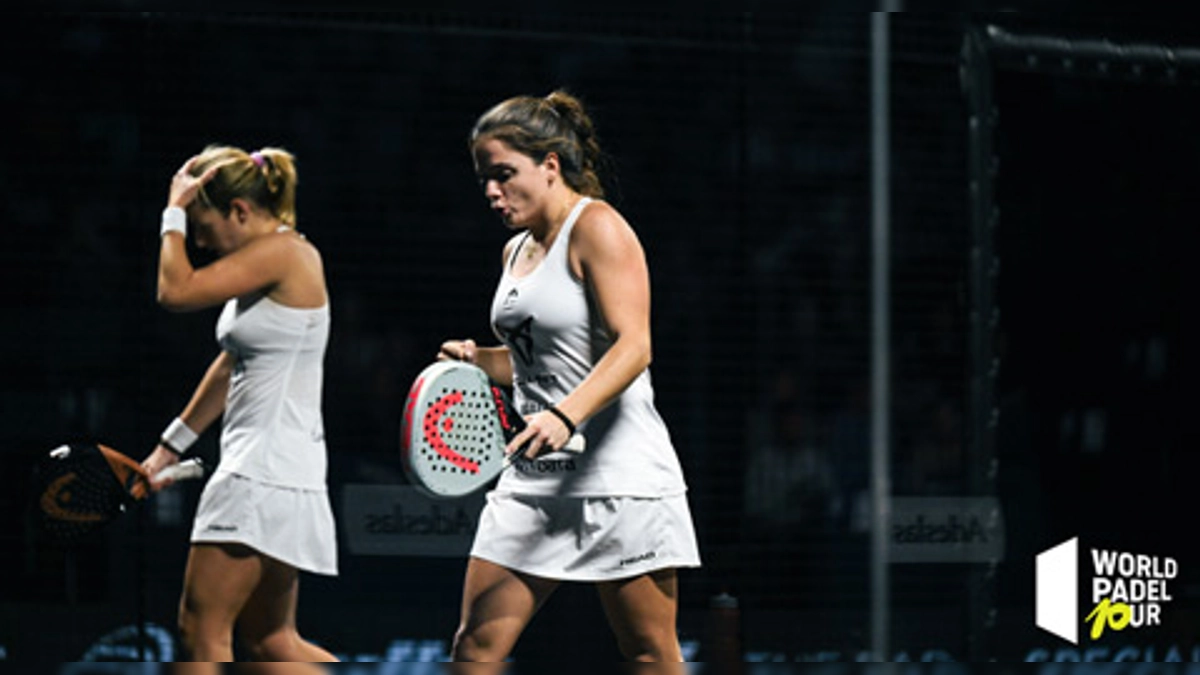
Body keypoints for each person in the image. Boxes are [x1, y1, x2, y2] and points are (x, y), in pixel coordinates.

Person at [438, 90, 701, 662]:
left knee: (650, 651)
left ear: (550, 165)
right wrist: (479, 361)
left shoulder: (599, 227)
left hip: (619, 478)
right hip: (534, 479)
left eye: (504, 174)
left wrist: (564, 414)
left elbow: (635, 346)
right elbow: (539, 361)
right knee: (475, 646)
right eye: (485, 178)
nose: (491, 191)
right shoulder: (515, 251)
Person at [140, 145, 338, 662]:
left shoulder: (283, 254)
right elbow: (232, 366)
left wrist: (172, 213)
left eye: (203, 226)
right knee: (271, 642)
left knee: (200, 632)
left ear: (240, 212)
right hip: (282, 469)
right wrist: (168, 449)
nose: (199, 241)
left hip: (259, 473)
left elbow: (174, 290)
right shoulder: (273, 261)